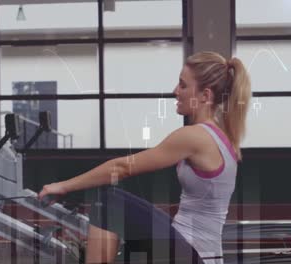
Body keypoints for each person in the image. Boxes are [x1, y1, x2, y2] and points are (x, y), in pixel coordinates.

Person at [38, 51, 252, 264]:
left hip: (193, 255)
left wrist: (63, 186)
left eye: (183, 85)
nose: (175, 91)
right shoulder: (221, 137)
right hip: (198, 253)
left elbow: (122, 167)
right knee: (125, 239)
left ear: (205, 95)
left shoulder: (195, 136)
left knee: (108, 201)